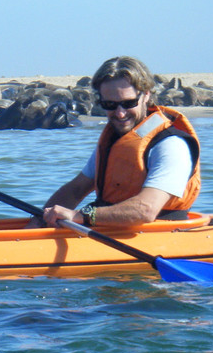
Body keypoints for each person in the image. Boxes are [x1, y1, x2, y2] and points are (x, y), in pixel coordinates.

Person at [40, 55, 200, 228]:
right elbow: (76, 189)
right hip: (108, 231)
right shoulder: (113, 141)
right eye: (110, 104)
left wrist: (78, 216)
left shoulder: (171, 145)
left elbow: (146, 210)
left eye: (129, 103)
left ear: (146, 95)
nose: (120, 113)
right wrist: (40, 221)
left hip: (158, 235)